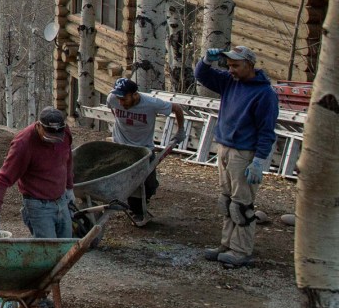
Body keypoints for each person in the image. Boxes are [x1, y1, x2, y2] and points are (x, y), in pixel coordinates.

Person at [194, 45, 279, 266]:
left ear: (249, 65)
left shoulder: (264, 93)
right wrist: (206, 60)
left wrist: (259, 160)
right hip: (225, 147)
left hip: (245, 153)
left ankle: (241, 250)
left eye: (235, 65)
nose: (230, 70)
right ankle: (227, 243)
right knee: (227, 200)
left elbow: (267, 130)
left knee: (241, 204)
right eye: (229, 65)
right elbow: (201, 75)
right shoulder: (230, 82)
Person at [0, 107, 75, 239]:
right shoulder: (23, 144)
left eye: (57, 138)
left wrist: (69, 187)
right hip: (38, 206)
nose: (54, 140)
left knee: (66, 247)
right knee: (48, 251)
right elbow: (3, 178)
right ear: (38, 126)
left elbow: (68, 158)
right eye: (49, 138)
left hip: (61, 200)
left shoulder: (64, 133)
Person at [107, 77, 186, 226]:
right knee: (127, 181)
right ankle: (135, 209)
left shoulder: (151, 103)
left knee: (149, 185)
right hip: (120, 147)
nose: (121, 103)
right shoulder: (113, 98)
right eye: (119, 99)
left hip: (144, 149)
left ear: (134, 94)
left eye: (124, 99)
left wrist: (180, 131)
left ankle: (138, 204)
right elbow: (113, 109)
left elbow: (177, 108)